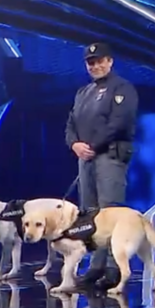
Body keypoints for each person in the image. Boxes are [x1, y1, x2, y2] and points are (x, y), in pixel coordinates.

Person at [64, 42, 139, 289]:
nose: (95, 66)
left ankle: (113, 268)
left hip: (109, 155)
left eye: (99, 61)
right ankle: (95, 266)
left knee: (110, 212)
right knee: (90, 214)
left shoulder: (122, 88)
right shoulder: (82, 93)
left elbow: (119, 123)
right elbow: (71, 123)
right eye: (91, 63)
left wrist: (92, 145)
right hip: (86, 158)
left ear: (110, 61)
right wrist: (74, 144)